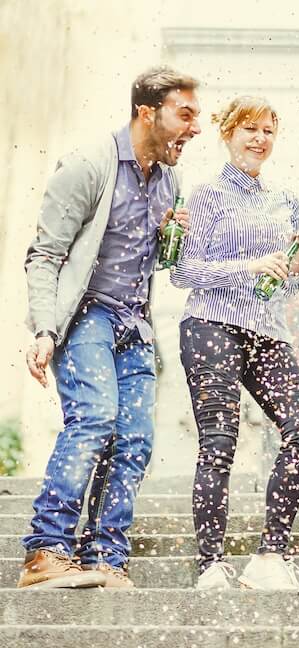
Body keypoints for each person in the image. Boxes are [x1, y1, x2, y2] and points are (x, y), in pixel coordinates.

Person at [20, 67, 201, 589]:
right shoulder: (88, 166)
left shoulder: (170, 178)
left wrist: (173, 239)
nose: (194, 129)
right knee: (95, 419)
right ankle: (46, 550)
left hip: (135, 324)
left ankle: (105, 555)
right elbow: (46, 254)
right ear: (148, 112)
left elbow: (157, 263)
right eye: (184, 115)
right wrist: (45, 330)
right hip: (86, 317)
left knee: (136, 441)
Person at [170, 95, 299, 590]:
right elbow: (184, 272)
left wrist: (295, 268)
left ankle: (270, 555)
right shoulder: (206, 195)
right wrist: (248, 267)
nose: (259, 140)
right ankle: (210, 564)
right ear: (227, 134)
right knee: (219, 442)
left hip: (267, 330)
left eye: (267, 132)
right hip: (210, 325)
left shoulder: (285, 201)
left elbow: (287, 286)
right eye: (248, 130)